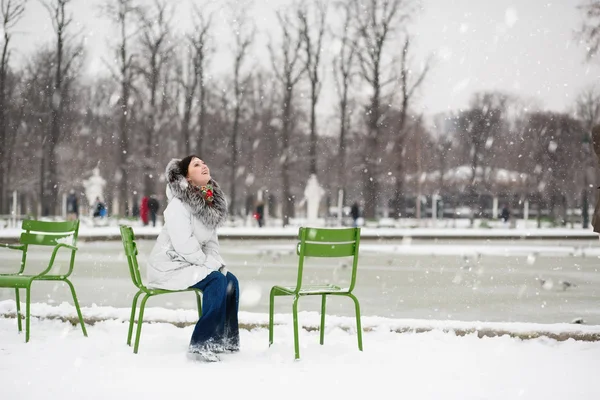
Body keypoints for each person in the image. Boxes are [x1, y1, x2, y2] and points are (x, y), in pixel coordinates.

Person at [147, 155, 238, 362]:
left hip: (189, 263)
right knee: (217, 281)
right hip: (170, 265)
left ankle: (226, 339)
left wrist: (215, 262)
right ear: (187, 177)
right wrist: (210, 265)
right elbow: (183, 245)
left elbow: (212, 244)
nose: (204, 165)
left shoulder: (209, 205)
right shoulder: (178, 205)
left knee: (230, 281)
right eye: (196, 164)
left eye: (204, 162)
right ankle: (203, 343)